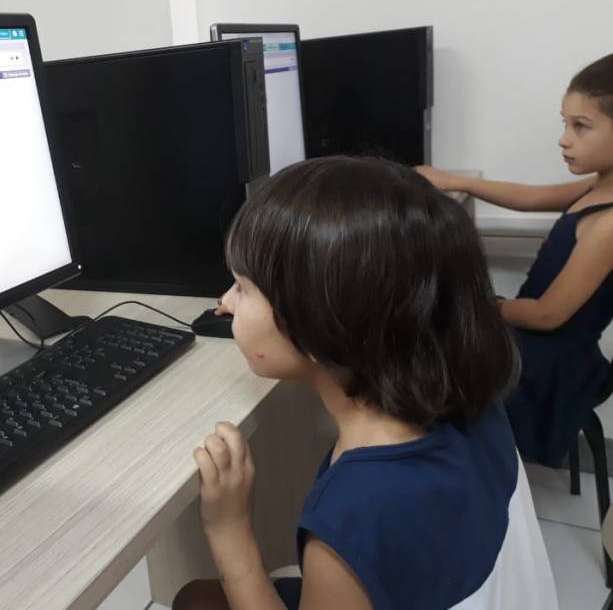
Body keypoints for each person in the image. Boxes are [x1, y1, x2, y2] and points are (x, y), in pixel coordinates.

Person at [173, 156, 556, 610]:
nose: (226, 301)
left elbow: (359, 531)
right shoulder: (475, 398)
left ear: (318, 323)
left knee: (194, 600)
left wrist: (229, 532)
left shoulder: (352, 518)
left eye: (242, 287)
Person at [416, 53, 613, 466]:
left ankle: (450, 469)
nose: (564, 139)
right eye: (565, 123)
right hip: (537, 345)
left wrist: (489, 306)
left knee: (431, 361)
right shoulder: (597, 188)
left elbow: (547, 315)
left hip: (548, 365)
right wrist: (455, 180)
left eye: (580, 126)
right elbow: (531, 198)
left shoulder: (609, 223)